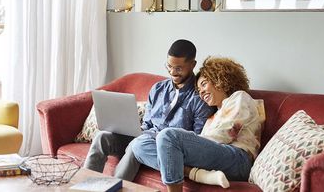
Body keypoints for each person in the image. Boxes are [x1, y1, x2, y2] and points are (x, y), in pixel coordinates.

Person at [83, 39, 215, 181]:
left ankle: (114, 187)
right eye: (169, 66)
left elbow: (196, 140)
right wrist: (133, 130)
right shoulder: (158, 89)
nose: (172, 72)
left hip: (164, 148)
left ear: (192, 64)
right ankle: (85, 186)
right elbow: (147, 124)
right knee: (102, 137)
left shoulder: (199, 98)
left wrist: (150, 138)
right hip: (145, 136)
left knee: (137, 144)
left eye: (178, 68)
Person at [132, 56, 264, 192]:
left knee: (168, 136)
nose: (201, 93)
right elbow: (203, 146)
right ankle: (197, 174)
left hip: (238, 160)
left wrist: (175, 144)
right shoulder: (214, 115)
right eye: (199, 91)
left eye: (204, 84)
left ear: (219, 79)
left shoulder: (239, 97)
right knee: (138, 145)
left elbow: (224, 135)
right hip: (217, 157)